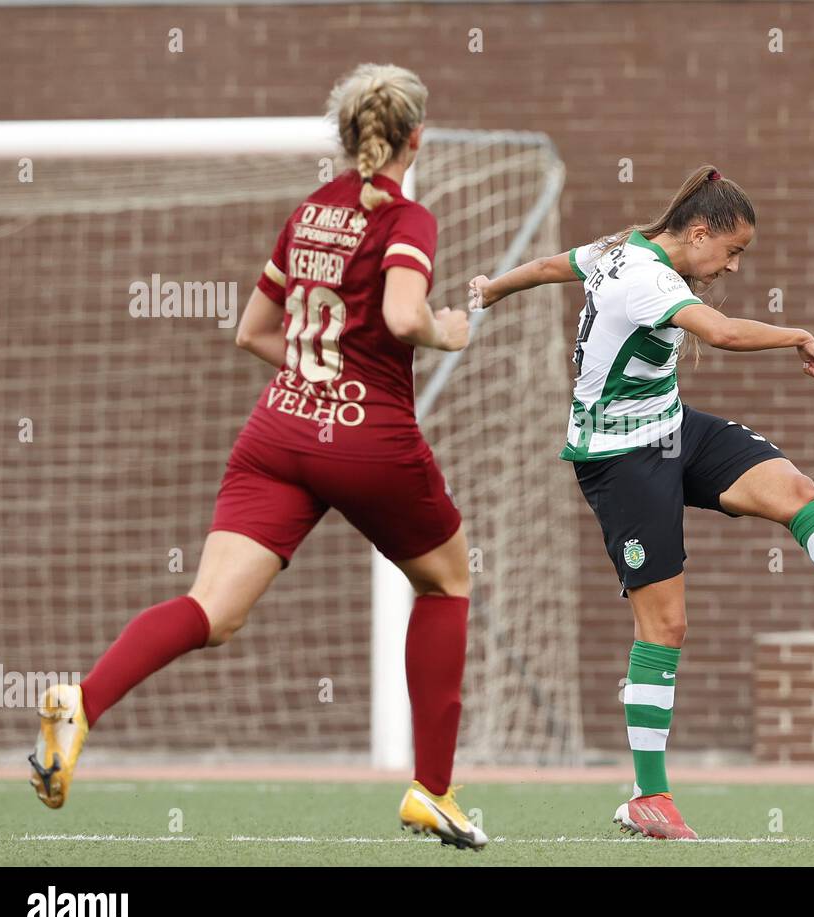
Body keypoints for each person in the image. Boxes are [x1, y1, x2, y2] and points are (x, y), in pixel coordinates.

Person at [29, 63, 489, 850]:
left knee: (212, 610)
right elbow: (404, 314)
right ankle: (433, 791)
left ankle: (83, 699)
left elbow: (252, 332)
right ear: (417, 137)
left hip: (275, 435)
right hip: (368, 438)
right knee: (446, 581)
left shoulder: (310, 211)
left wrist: (313, 384)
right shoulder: (407, 218)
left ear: (346, 136)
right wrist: (450, 330)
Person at [467, 165, 814, 839]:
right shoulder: (645, 277)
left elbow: (557, 265)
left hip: (672, 429)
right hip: (618, 461)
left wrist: (494, 289)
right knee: (665, 628)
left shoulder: (620, 248)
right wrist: (794, 335)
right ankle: (648, 795)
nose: (731, 267)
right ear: (698, 232)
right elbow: (721, 333)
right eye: (732, 251)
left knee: (794, 490)